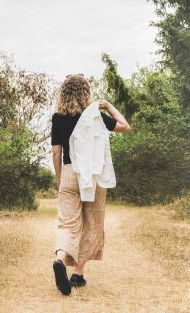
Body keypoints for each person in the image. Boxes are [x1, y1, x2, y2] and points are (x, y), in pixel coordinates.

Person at [51, 74, 131, 295]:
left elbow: (56, 151)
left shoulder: (57, 117)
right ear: (86, 93)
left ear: (64, 92)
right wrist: (107, 105)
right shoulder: (96, 117)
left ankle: (59, 259)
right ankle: (78, 273)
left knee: (68, 224)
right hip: (93, 176)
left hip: (68, 172)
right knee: (92, 222)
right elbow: (125, 126)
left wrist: (60, 178)